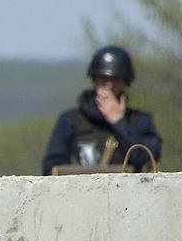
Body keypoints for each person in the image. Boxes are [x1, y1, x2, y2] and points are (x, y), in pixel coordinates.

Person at [42, 45, 161, 174]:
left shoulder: (140, 121)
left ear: (125, 82)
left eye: (115, 79)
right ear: (95, 79)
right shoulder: (71, 120)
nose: (109, 85)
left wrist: (119, 122)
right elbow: (52, 168)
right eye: (104, 78)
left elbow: (146, 159)